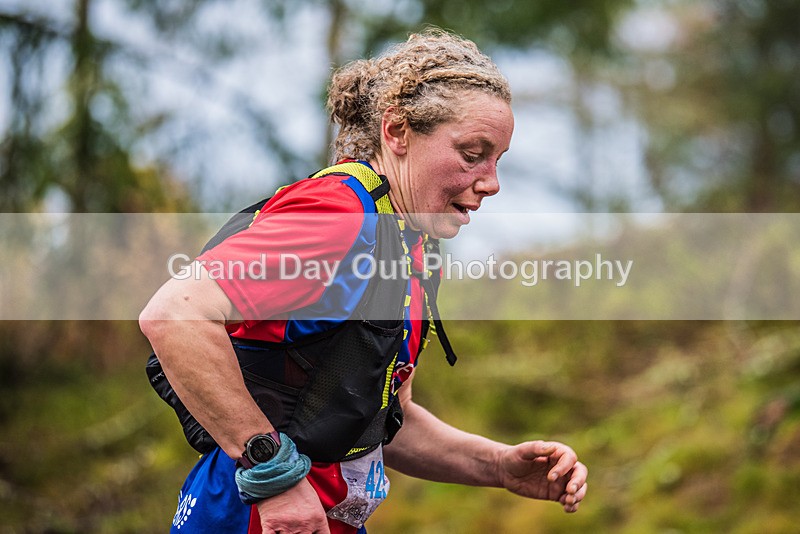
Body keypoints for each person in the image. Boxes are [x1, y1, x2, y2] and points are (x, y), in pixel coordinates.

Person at [140, 28, 588, 534]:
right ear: (397, 132)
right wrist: (274, 477)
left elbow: (384, 423)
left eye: (497, 160)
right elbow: (175, 313)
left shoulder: (409, 245)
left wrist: (499, 466)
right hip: (257, 515)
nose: (491, 182)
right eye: (471, 153)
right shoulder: (339, 214)